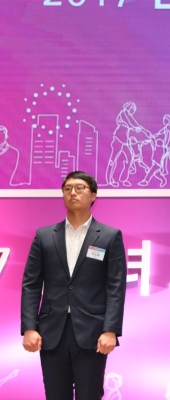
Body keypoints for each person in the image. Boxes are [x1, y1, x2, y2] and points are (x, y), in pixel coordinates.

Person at [21, 171, 127, 400]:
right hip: (52, 331)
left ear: (94, 195)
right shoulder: (45, 236)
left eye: (80, 188)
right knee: (55, 395)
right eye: (68, 188)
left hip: (93, 332)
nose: (73, 193)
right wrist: (29, 327)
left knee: (89, 394)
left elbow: (115, 287)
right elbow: (31, 284)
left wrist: (110, 330)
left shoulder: (109, 236)